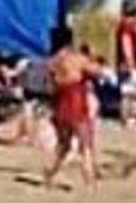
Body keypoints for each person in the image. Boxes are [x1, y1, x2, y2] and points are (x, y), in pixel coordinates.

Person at [43, 23, 102, 187]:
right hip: (76, 98)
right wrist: (92, 56)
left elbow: (49, 85)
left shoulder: (51, 61)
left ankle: (51, 173)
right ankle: (89, 180)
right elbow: (96, 72)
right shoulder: (76, 58)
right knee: (85, 142)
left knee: (64, 144)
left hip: (60, 100)